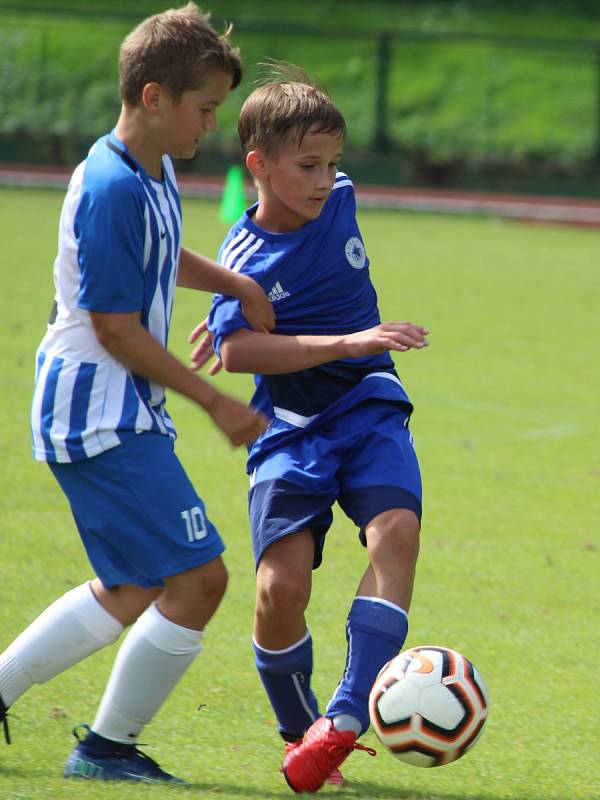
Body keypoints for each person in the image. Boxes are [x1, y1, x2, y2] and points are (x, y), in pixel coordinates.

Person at [0, 3, 275, 784]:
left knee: (135, 583)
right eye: (205, 109)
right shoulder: (114, 187)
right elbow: (117, 328)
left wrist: (231, 281)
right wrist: (214, 400)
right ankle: (106, 749)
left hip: (113, 410)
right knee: (200, 577)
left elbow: (160, 252)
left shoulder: (146, 168)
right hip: (98, 412)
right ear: (154, 97)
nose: (212, 128)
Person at [191, 66, 429, 793]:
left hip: (367, 402)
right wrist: (346, 340)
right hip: (289, 428)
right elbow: (234, 355)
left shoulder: (343, 198)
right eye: (307, 166)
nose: (327, 179)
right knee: (279, 589)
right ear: (257, 166)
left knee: (396, 531)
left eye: (331, 162)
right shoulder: (245, 261)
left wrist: (358, 356)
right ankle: (300, 732)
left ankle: (348, 715)